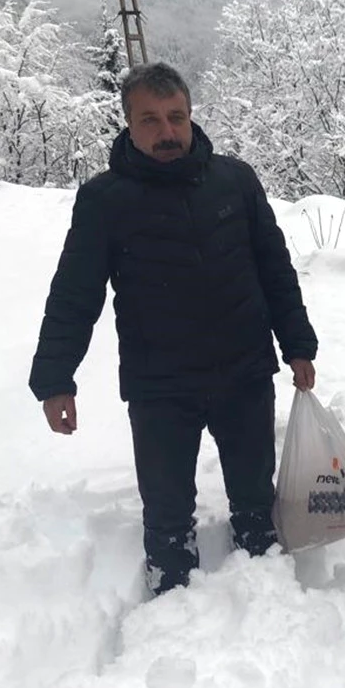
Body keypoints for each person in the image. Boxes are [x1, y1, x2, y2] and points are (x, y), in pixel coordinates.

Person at [29, 62, 318, 596]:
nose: (166, 132)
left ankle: (267, 595)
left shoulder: (236, 180)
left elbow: (274, 268)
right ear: (128, 125)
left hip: (245, 371)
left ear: (190, 118)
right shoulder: (104, 200)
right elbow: (75, 293)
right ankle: (168, 603)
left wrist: (297, 343)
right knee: (165, 514)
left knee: (256, 501)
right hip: (159, 384)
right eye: (150, 120)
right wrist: (55, 378)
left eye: (176, 118)